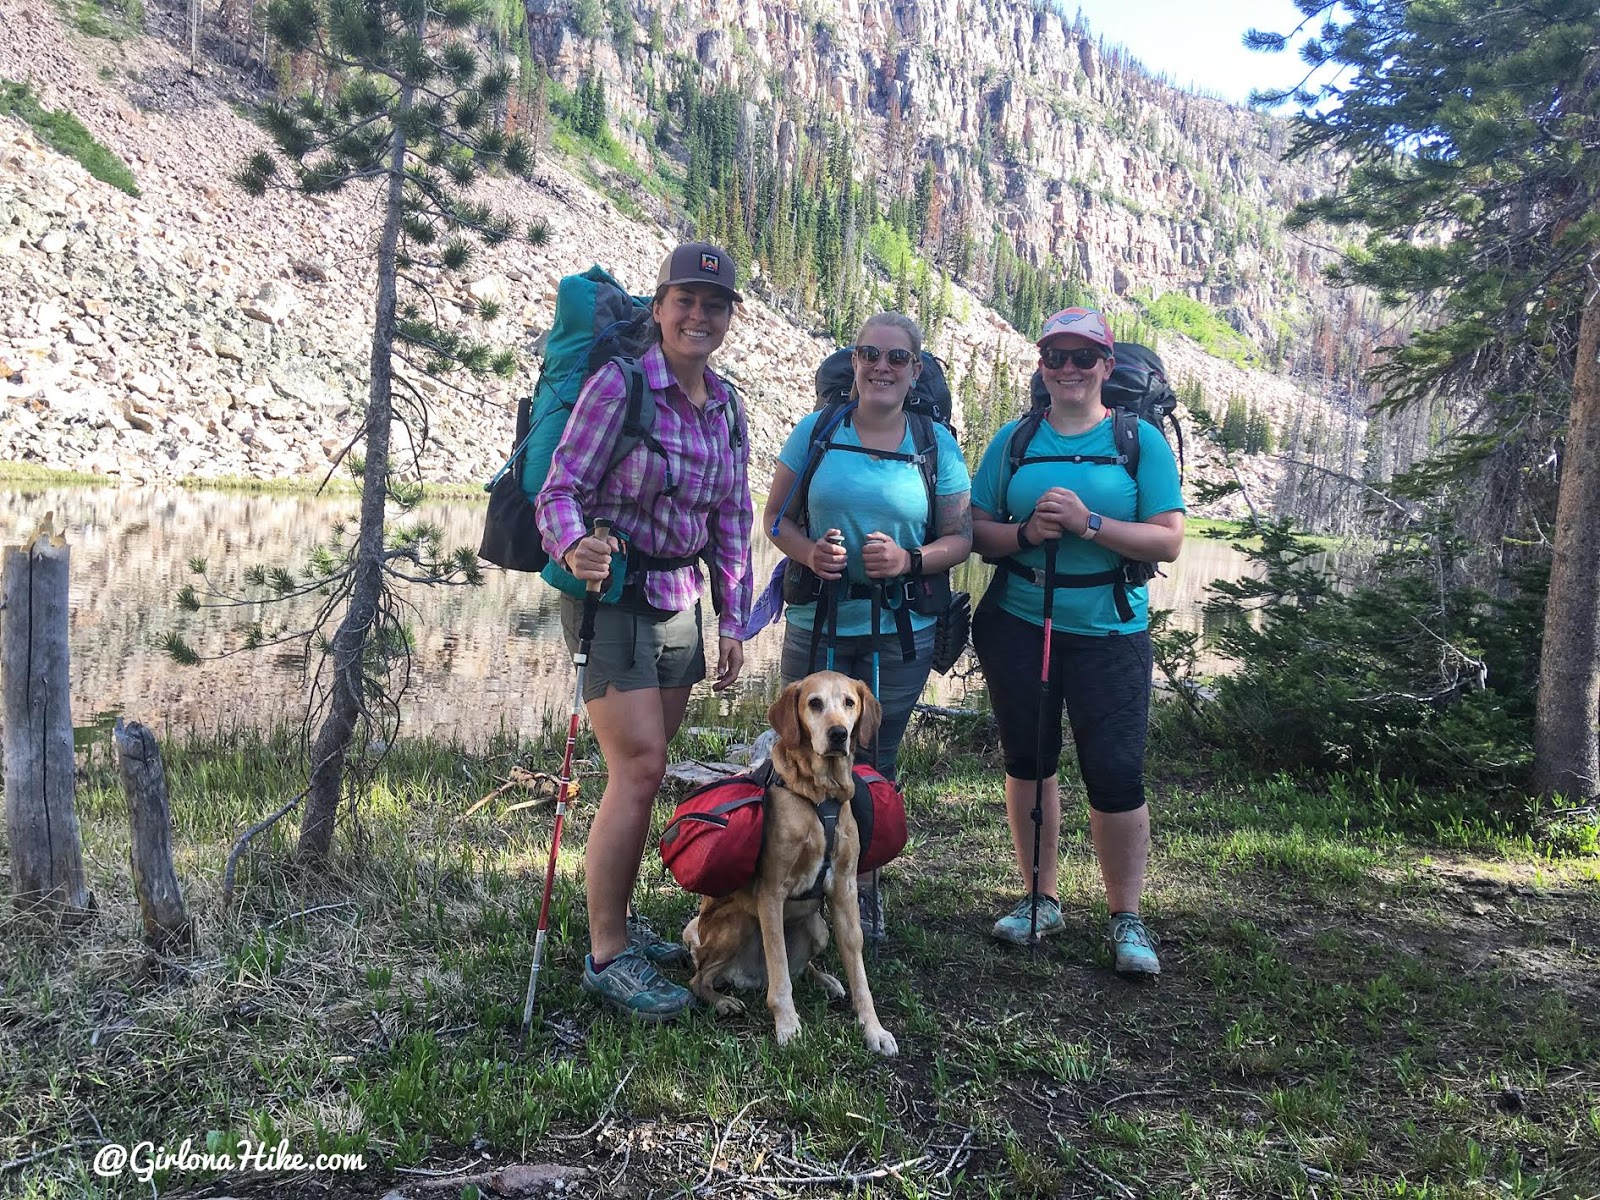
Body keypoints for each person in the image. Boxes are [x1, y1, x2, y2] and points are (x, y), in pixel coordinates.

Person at [535, 242, 754, 1019]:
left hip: (680, 598)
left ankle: (622, 927)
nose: (699, 315)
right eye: (685, 300)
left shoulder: (727, 409)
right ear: (659, 307)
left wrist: (735, 615)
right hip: (614, 593)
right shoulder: (618, 386)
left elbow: (731, 518)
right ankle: (605, 955)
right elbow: (559, 488)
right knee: (638, 768)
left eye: (714, 304)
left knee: (648, 773)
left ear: (729, 318)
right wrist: (573, 544)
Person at [969, 306, 1184, 975]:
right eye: (1055, 357)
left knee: (1116, 771)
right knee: (1028, 761)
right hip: (1019, 624)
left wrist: (1089, 522)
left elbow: (1168, 538)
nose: (1068, 369)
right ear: (1042, 366)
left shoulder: (1139, 441)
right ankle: (1040, 898)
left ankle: (1127, 918)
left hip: (1109, 631)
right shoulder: (1013, 439)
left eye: (1082, 358)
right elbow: (978, 532)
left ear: (1105, 366)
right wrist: (1029, 533)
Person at [763, 312, 972, 940]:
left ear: (916, 370)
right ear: (854, 363)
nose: (881, 366)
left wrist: (910, 560)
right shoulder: (817, 431)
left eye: (897, 358)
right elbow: (776, 518)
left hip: (900, 626)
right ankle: (794, 884)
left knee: (874, 758)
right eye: (868, 354)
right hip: (818, 619)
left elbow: (960, 538)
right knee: (801, 755)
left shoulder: (935, 444)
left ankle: (860, 887)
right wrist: (807, 554)